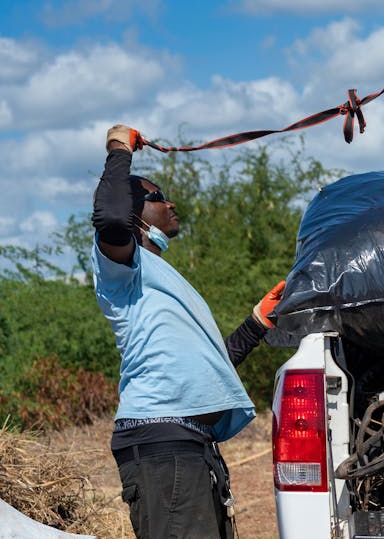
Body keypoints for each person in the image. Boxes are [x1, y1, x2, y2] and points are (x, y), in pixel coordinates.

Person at [91, 124, 283, 538]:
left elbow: (203, 368)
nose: (171, 202)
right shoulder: (123, 271)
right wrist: (119, 147)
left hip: (190, 447)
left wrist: (255, 325)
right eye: (158, 197)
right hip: (164, 449)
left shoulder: (165, 280)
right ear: (134, 213)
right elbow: (108, 216)